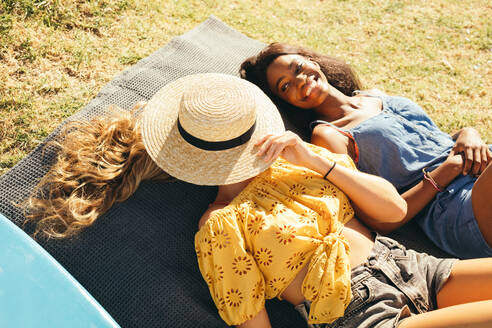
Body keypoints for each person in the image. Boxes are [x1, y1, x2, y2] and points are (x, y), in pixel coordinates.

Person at [25, 73, 492, 328]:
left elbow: (391, 211)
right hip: (361, 314)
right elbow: (252, 322)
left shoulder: (302, 160)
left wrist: (314, 159)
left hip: (415, 266)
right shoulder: (219, 225)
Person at [239, 42, 492, 259]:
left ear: (311, 60)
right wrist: (447, 171)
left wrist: (468, 133)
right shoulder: (329, 136)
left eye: (298, 68)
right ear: (285, 102)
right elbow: (379, 219)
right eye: (286, 86)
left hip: (477, 168)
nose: (300, 80)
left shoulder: (371, 96)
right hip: (453, 205)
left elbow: (428, 145)